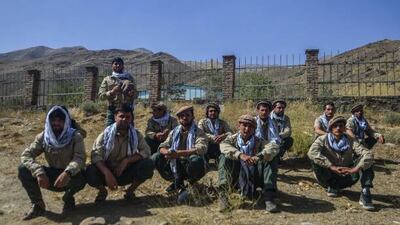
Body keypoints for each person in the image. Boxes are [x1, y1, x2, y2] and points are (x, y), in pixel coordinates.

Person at [18, 106, 86, 220]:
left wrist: (68, 172)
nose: (56, 123)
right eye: (53, 120)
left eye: (60, 120)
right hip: (52, 178)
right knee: (23, 169)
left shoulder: (75, 136)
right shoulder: (43, 137)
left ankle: (68, 198)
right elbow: (26, 155)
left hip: (71, 177)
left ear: (66, 121)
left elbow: (79, 158)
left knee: (85, 176)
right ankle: (38, 205)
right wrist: (39, 172)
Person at [86, 104, 154, 202]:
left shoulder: (136, 134)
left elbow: (146, 151)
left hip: (125, 172)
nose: (124, 119)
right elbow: (96, 155)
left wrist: (126, 161)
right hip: (107, 174)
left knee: (148, 164)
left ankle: (130, 191)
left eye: (127, 117)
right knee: (90, 170)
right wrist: (107, 173)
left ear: (131, 119)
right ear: (115, 117)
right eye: (121, 116)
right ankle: (102, 191)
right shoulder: (105, 134)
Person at [308, 116, 375, 211]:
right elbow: (312, 152)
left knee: (367, 159)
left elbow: (367, 153)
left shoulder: (350, 140)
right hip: (328, 175)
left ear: (344, 128)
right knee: (314, 159)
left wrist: (354, 169)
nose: (338, 128)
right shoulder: (322, 139)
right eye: (335, 126)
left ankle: (365, 192)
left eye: (340, 126)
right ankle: (331, 186)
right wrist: (331, 166)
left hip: (347, 174)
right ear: (330, 128)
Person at [217, 115, 280, 213]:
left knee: (271, 158)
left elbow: (274, 147)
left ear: (254, 129)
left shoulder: (259, 141)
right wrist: (240, 155)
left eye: (250, 126)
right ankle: (223, 196)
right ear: (239, 126)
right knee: (224, 157)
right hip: (236, 176)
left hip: (254, 176)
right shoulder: (231, 139)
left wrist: (259, 156)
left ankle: (269, 197)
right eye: (244, 125)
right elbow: (224, 146)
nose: (247, 129)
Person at [151, 106, 208, 204]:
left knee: (196, 160)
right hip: (175, 162)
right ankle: (177, 182)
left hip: (189, 163)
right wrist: (167, 152)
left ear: (192, 117)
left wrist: (178, 154)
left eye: (187, 115)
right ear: (179, 119)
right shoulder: (174, 132)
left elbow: (201, 148)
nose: (185, 118)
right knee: (156, 157)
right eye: (182, 116)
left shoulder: (199, 132)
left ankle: (190, 182)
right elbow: (163, 146)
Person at [98, 57, 137, 126]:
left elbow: (136, 94)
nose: (118, 65)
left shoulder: (129, 78)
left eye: (120, 64)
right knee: (109, 131)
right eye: (116, 64)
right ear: (112, 66)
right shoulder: (107, 79)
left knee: (129, 131)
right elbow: (101, 96)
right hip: (112, 109)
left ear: (123, 66)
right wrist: (112, 92)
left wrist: (132, 94)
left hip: (127, 109)